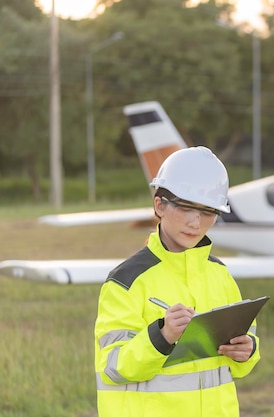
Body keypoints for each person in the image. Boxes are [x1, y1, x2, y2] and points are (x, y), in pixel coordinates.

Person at [94, 146, 261, 417]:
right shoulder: (126, 281)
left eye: (208, 212)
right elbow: (113, 366)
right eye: (185, 208)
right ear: (159, 205)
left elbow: (244, 349)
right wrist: (161, 336)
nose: (195, 222)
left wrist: (248, 350)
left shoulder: (220, 275)